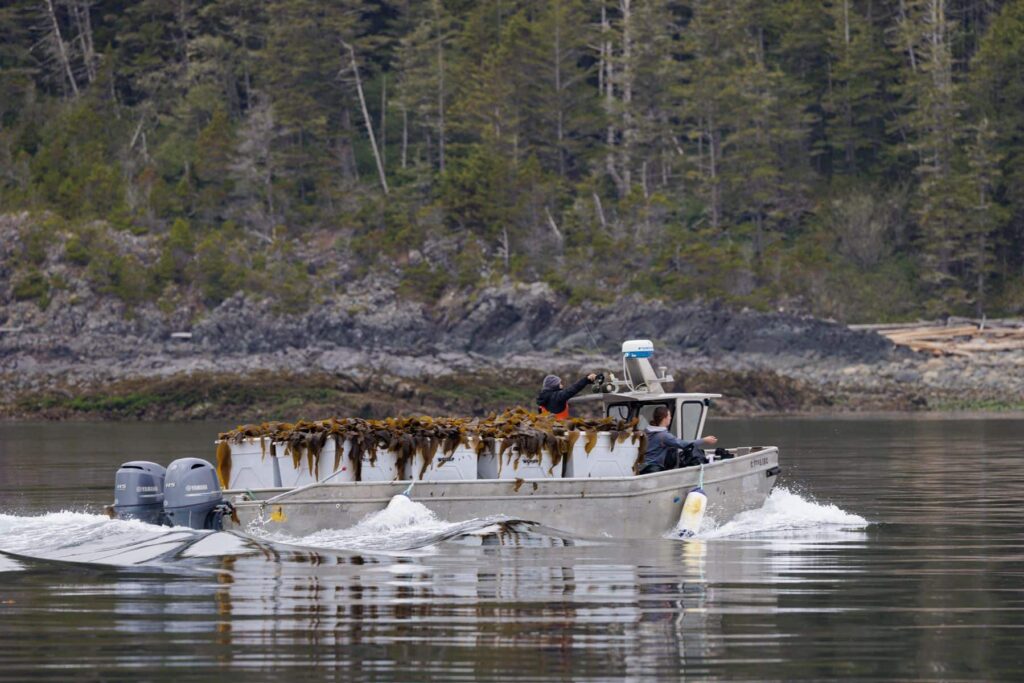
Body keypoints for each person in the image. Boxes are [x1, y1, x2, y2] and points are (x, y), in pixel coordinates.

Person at [639, 405, 718, 475]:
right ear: (664, 418)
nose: (670, 418)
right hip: (653, 469)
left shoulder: (647, 431)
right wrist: (704, 440)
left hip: (642, 467)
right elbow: (684, 444)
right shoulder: (664, 436)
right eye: (669, 415)